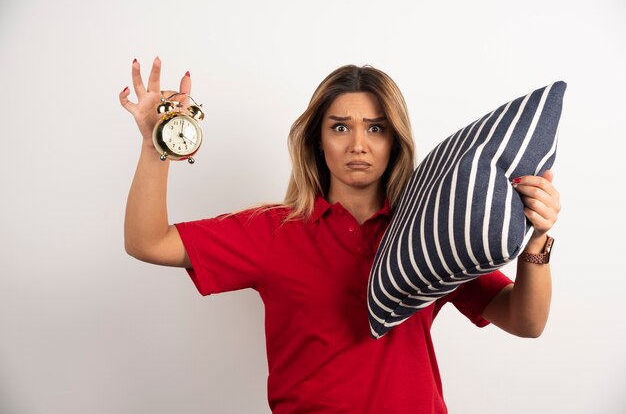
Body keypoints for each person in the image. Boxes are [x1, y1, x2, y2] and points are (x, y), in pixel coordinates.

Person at [119, 57, 560, 414]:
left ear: (394, 141)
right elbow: (148, 241)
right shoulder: (273, 230)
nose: (358, 145)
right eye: (339, 127)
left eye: (375, 127)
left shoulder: (431, 227)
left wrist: (535, 244)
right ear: (317, 140)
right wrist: (157, 144)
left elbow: (526, 322)